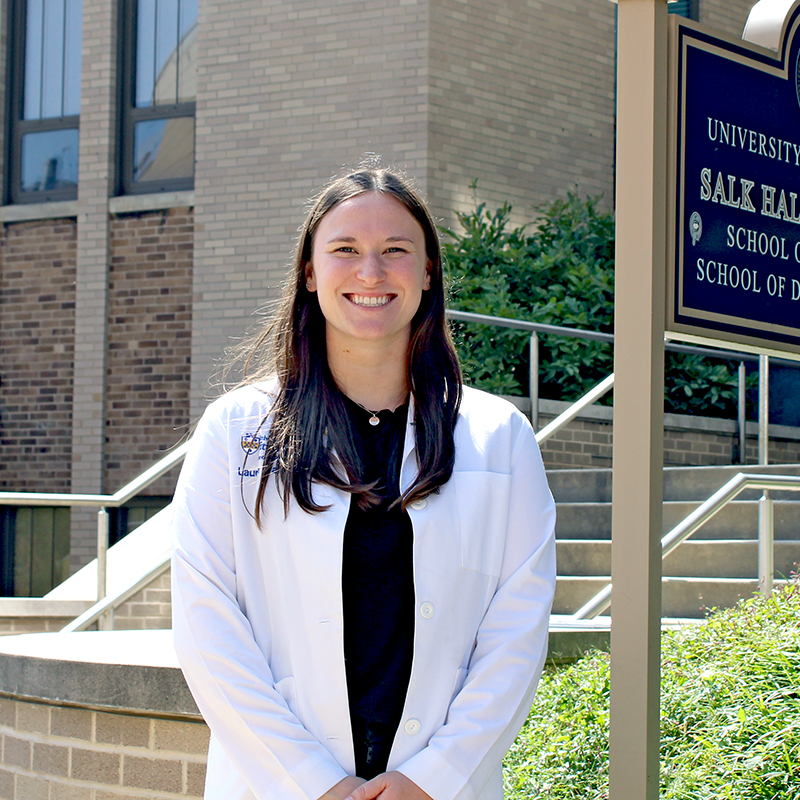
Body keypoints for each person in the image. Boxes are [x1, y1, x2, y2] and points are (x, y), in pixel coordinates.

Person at [170, 166, 556, 800]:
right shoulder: (234, 430)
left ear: (427, 271)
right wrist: (313, 784)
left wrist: (433, 780)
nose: (371, 273)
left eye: (395, 251)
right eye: (345, 250)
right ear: (310, 272)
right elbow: (207, 627)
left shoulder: (500, 438)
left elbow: (516, 633)